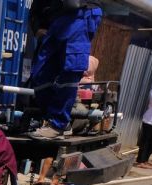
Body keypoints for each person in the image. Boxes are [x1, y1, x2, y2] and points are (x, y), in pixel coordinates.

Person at [28, 0, 102, 140]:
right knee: (40, 73)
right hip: (54, 18)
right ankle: (55, 121)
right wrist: (37, 26)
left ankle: (58, 124)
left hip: (79, 14)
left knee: (69, 69)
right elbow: (35, 10)